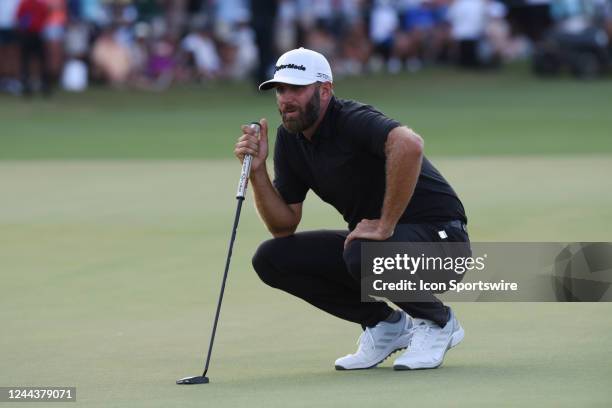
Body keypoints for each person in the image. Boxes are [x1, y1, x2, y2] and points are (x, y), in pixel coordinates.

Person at [234, 47, 469, 371]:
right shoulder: (291, 138)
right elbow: (283, 225)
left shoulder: (351, 119)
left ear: (325, 90)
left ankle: (438, 321)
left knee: (361, 251)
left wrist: (386, 224)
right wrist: (258, 172)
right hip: (381, 245)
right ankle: (385, 325)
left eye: (297, 89)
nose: (286, 99)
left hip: (445, 243)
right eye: (281, 89)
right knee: (272, 258)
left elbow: (409, 144)